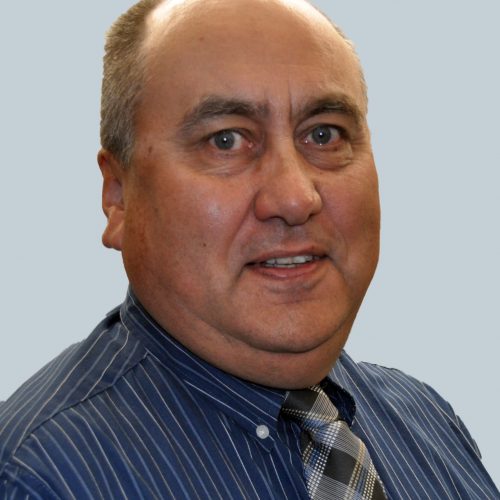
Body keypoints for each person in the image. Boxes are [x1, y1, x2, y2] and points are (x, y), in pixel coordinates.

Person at [0, 0, 497, 498]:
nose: (295, 198)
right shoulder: (42, 476)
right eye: (226, 141)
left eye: (324, 134)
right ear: (119, 198)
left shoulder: (428, 422)